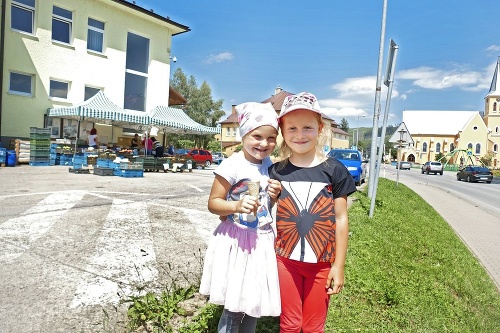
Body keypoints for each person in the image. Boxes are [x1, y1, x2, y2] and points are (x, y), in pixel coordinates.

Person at [268, 92, 357, 333]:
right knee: (290, 324)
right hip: (286, 262)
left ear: (320, 129)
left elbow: (340, 218)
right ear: (282, 132)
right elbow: (262, 211)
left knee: (312, 326)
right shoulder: (275, 172)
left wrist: (339, 266)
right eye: (292, 128)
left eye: (307, 127)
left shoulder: (335, 171)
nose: (299, 135)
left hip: (322, 265)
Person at [200, 102, 282, 333]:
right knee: (235, 306)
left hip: (261, 240)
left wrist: (273, 197)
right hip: (237, 242)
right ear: (244, 133)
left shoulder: (268, 164)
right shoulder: (232, 164)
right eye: (257, 136)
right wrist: (236, 205)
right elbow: (213, 204)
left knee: (253, 300)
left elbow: (263, 207)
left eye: (271, 138)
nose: (264, 143)